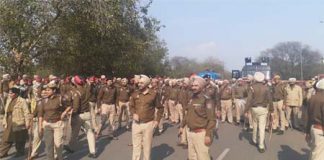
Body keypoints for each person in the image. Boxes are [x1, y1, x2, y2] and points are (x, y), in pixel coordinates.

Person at [180, 76, 216, 160]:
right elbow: (188, 114)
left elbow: (212, 119)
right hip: (190, 133)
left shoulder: (207, 100)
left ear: (202, 86)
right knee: (192, 157)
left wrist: (208, 135)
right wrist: (182, 126)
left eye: (196, 86)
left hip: (201, 134)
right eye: (192, 86)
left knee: (202, 157)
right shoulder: (191, 99)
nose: (193, 87)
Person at [129, 75, 164, 160]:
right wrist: (133, 113)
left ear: (147, 83)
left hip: (148, 124)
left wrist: (157, 121)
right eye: (139, 83)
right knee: (136, 146)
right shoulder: (135, 93)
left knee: (147, 147)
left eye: (141, 83)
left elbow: (160, 108)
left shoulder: (154, 94)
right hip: (136, 124)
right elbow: (131, 106)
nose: (139, 84)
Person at [65, 75, 97, 158]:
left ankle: (71, 147)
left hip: (78, 114)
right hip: (87, 113)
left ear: (75, 82)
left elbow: (75, 106)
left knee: (74, 133)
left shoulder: (76, 92)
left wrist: (71, 113)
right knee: (90, 132)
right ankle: (93, 151)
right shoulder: (86, 89)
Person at [38, 82, 71, 160]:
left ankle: (60, 158)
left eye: (48, 90)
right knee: (48, 145)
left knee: (58, 144)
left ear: (54, 90)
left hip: (57, 124)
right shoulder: (43, 100)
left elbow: (69, 105)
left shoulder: (60, 98)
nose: (46, 91)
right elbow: (40, 114)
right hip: (47, 124)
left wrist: (64, 112)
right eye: (46, 90)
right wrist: (40, 127)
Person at [245, 72, 273, 153]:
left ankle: (254, 139)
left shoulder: (252, 88)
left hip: (254, 109)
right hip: (263, 109)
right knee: (262, 127)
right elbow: (270, 100)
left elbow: (249, 100)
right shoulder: (266, 88)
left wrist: (246, 110)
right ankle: (261, 145)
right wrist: (272, 110)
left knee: (255, 124)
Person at [0, 87, 31, 158]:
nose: (9, 94)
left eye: (11, 93)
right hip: (9, 120)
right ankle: (3, 152)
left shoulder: (22, 101)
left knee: (19, 138)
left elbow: (26, 112)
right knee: (6, 138)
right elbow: (5, 112)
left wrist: (27, 122)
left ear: (16, 94)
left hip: (19, 121)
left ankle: (20, 151)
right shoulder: (8, 100)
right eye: (9, 93)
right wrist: (4, 120)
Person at [306, 79, 324, 160]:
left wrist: (307, 131)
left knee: (314, 151)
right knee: (319, 155)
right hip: (321, 129)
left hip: (313, 127)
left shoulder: (312, 98)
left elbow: (309, 116)